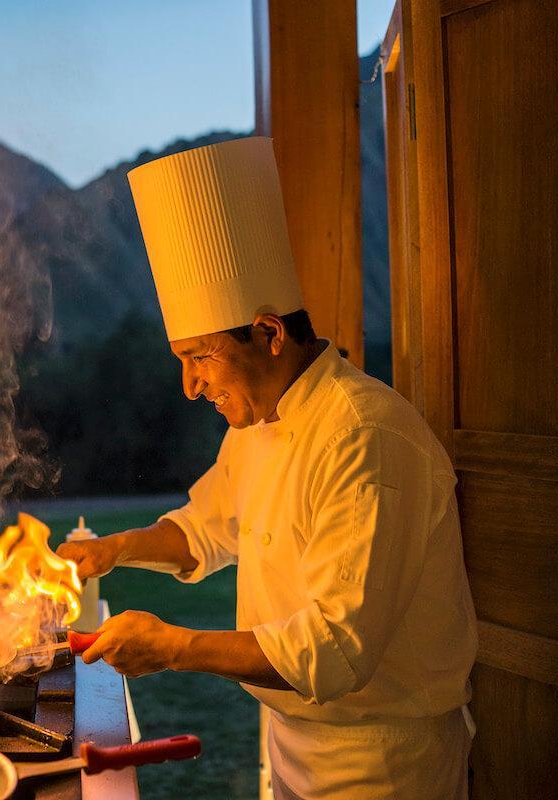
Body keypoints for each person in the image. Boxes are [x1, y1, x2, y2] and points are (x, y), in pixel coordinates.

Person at [57, 136, 478, 799]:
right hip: (293, 744)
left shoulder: (363, 435)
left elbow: (335, 649)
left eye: (199, 357)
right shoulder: (258, 420)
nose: (190, 386)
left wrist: (172, 646)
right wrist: (110, 550)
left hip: (381, 763)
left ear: (270, 334)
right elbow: (205, 527)